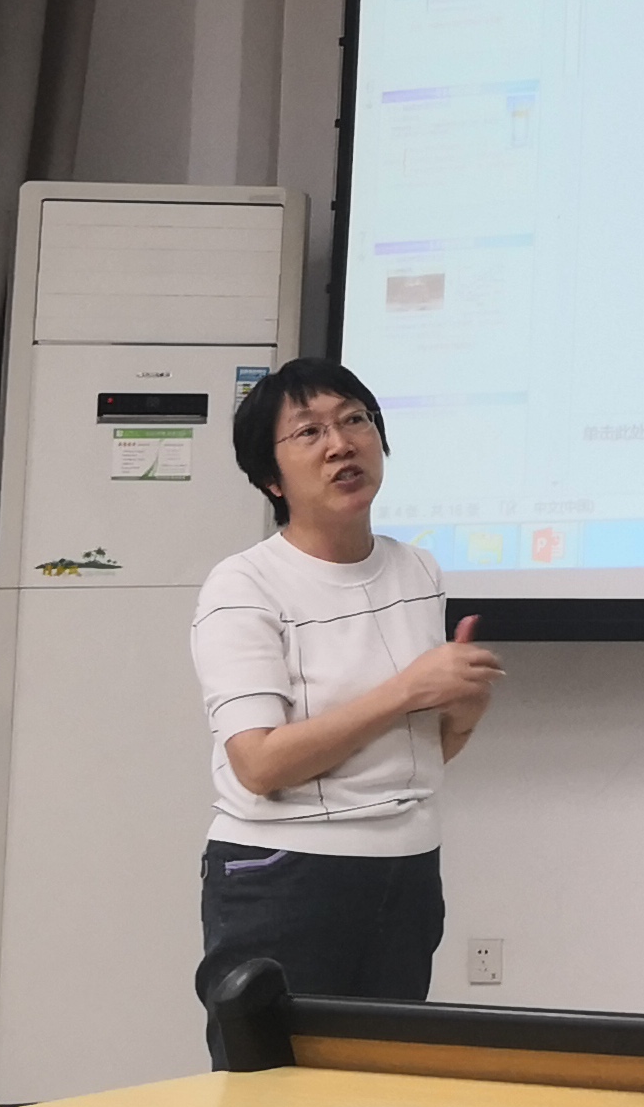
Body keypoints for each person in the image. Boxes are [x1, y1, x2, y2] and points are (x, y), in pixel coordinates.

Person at [190, 358, 502, 1040]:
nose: (341, 444)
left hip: (406, 869)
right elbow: (260, 764)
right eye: (309, 432)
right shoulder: (244, 585)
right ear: (271, 478)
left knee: (379, 1082)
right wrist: (406, 691)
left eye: (355, 420)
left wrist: (462, 714)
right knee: (272, 1086)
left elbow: (415, 753)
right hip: (283, 873)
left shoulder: (417, 569)